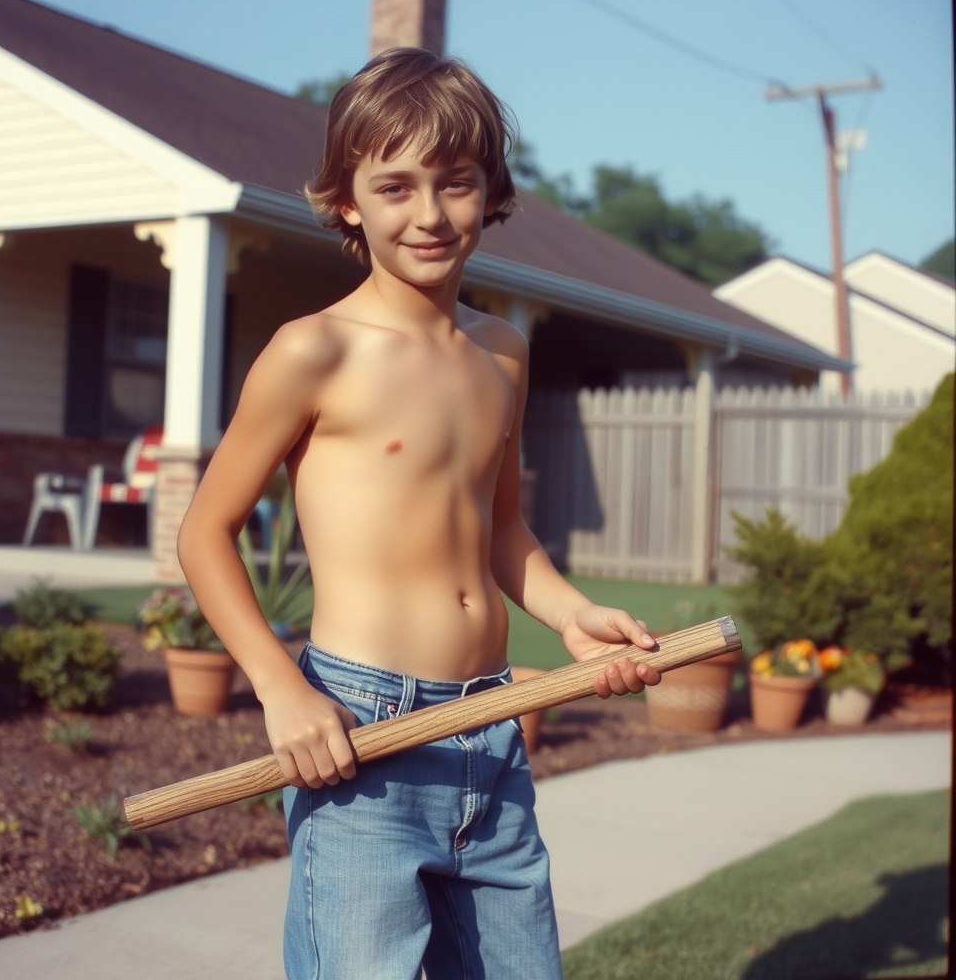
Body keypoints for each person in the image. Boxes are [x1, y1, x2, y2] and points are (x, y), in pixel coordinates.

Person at [178, 47, 660, 980]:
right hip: (361, 737)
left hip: (495, 725)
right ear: (347, 200)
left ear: (491, 192)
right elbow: (204, 535)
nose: (429, 214)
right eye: (394, 187)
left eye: (456, 183)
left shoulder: (504, 352)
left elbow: (501, 530)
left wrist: (570, 616)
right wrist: (283, 689)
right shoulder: (312, 351)